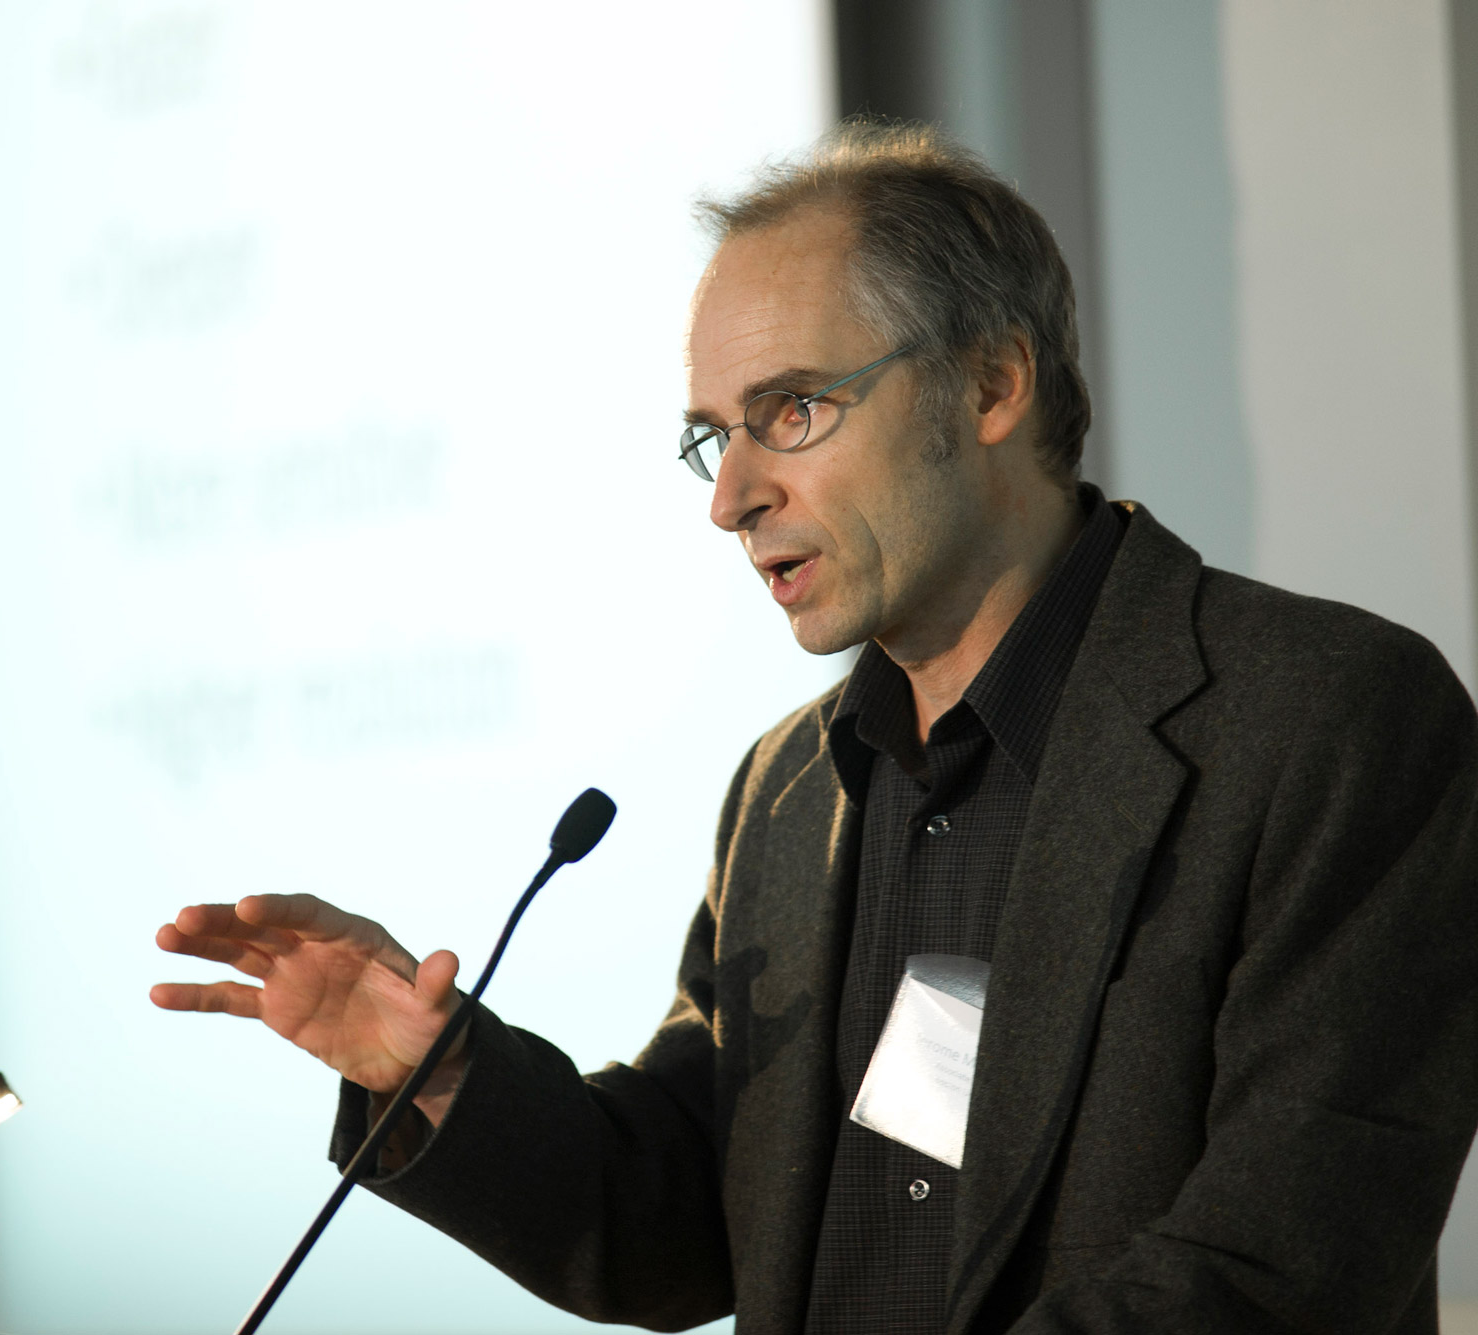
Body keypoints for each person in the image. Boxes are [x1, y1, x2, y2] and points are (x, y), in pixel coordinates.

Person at [152, 121, 1478, 1333]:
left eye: (789, 413)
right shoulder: (788, 791)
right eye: (710, 438)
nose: (729, 496)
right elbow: (680, 1224)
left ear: (992, 384)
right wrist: (441, 1080)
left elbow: (1278, 1271)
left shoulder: (1324, 722)